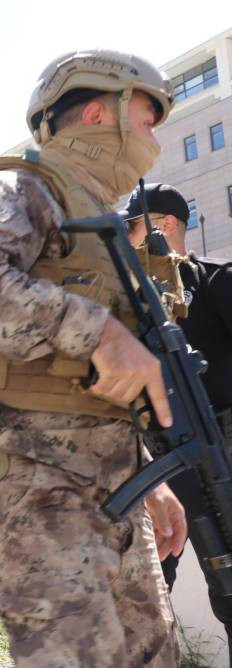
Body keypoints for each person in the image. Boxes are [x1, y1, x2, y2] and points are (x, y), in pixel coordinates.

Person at [0, 51, 188, 666]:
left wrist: (146, 477)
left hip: (113, 483)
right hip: (30, 475)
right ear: (100, 112)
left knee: (153, 654)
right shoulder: (22, 186)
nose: (155, 137)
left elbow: (101, 383)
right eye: (148, 119)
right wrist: (97, 332)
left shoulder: (102, 222)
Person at [120, 183, 232, 640]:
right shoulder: (125, 301)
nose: (125, 237)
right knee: (143, 593)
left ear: (162, 226)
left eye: (131, 226)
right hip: (154, 467)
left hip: (215, 462)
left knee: (227, 589)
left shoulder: (215, 281)